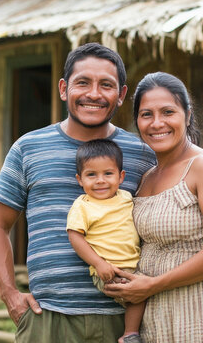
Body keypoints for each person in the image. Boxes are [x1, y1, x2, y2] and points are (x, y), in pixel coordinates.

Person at [0, 42, 156, 342]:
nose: (94, 94)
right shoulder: (28, 148)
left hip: (124, 321)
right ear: (64, 89)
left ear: (121, 95)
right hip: (47, 320)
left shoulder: (142, 154)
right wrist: (9, 293)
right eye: (83, 83)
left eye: (106, 85)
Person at [103, 72, 203, 342]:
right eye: (146, 114)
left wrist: (154, 285)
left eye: (168, 112)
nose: (157, 123)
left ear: (187, 113)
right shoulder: (147, 177)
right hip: (155, 312)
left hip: (201, 305)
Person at [66, 139, 146, 343]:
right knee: (137, 297)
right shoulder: (83, 205)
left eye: (108, 174)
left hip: (135, 265)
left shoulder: (127, 197)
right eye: (91, 175)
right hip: (108, 270)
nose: (100, 180)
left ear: (121, 177)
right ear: (79, 179)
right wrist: (99, 263)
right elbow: (75, 236)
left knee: (145, 293)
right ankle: (130, 334)